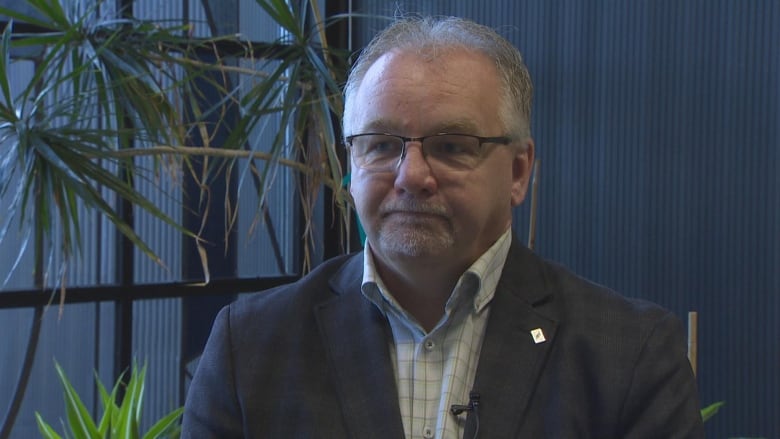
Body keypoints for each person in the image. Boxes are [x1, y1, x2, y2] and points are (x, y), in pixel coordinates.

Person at [181, 16, 704, 438]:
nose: (412, 176)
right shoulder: (249, 348)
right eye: (382, 145)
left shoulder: (630, 354)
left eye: (452, 147)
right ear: (351, 163)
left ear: (519, 171)